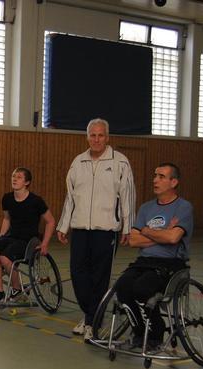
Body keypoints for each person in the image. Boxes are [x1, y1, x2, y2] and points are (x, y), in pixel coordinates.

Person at [56, 118, 136, 341]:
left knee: (99, 278)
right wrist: (64, 225)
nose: (97, 139)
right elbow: (70, 198)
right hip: (80, 228)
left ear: (107, 138)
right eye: (93, 135)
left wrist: (127, 227)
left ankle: (92, 321)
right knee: (77, 274)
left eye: (101, 135)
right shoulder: (78, 162)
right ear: (87, 137)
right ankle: (91, 314)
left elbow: (128, 197)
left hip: (106, 230)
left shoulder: (120, 162)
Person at [115, 163, 192, 349]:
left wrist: (147, 231)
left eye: (161, 176)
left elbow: (174, 238)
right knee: (122, 287)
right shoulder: (146, 208)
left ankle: (156, 332)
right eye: (155, 175)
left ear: (173, 182)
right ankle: (140, 332)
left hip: (170, 263)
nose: (155, 179)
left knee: (142, 288)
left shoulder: (183, 207)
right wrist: (162, 233)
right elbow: (133, 240)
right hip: (144, 261)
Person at [0, 168, 55, 302]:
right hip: (12, 236)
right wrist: (0, 237)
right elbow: (7, 219)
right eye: (13, 176)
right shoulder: (7, 198)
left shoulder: (36, 201)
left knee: (5, 259)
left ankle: (17, 288)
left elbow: (51, 221)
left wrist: (45, 243)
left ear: (27, 182)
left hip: (29, 240)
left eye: (19, 177)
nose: (14, 179)